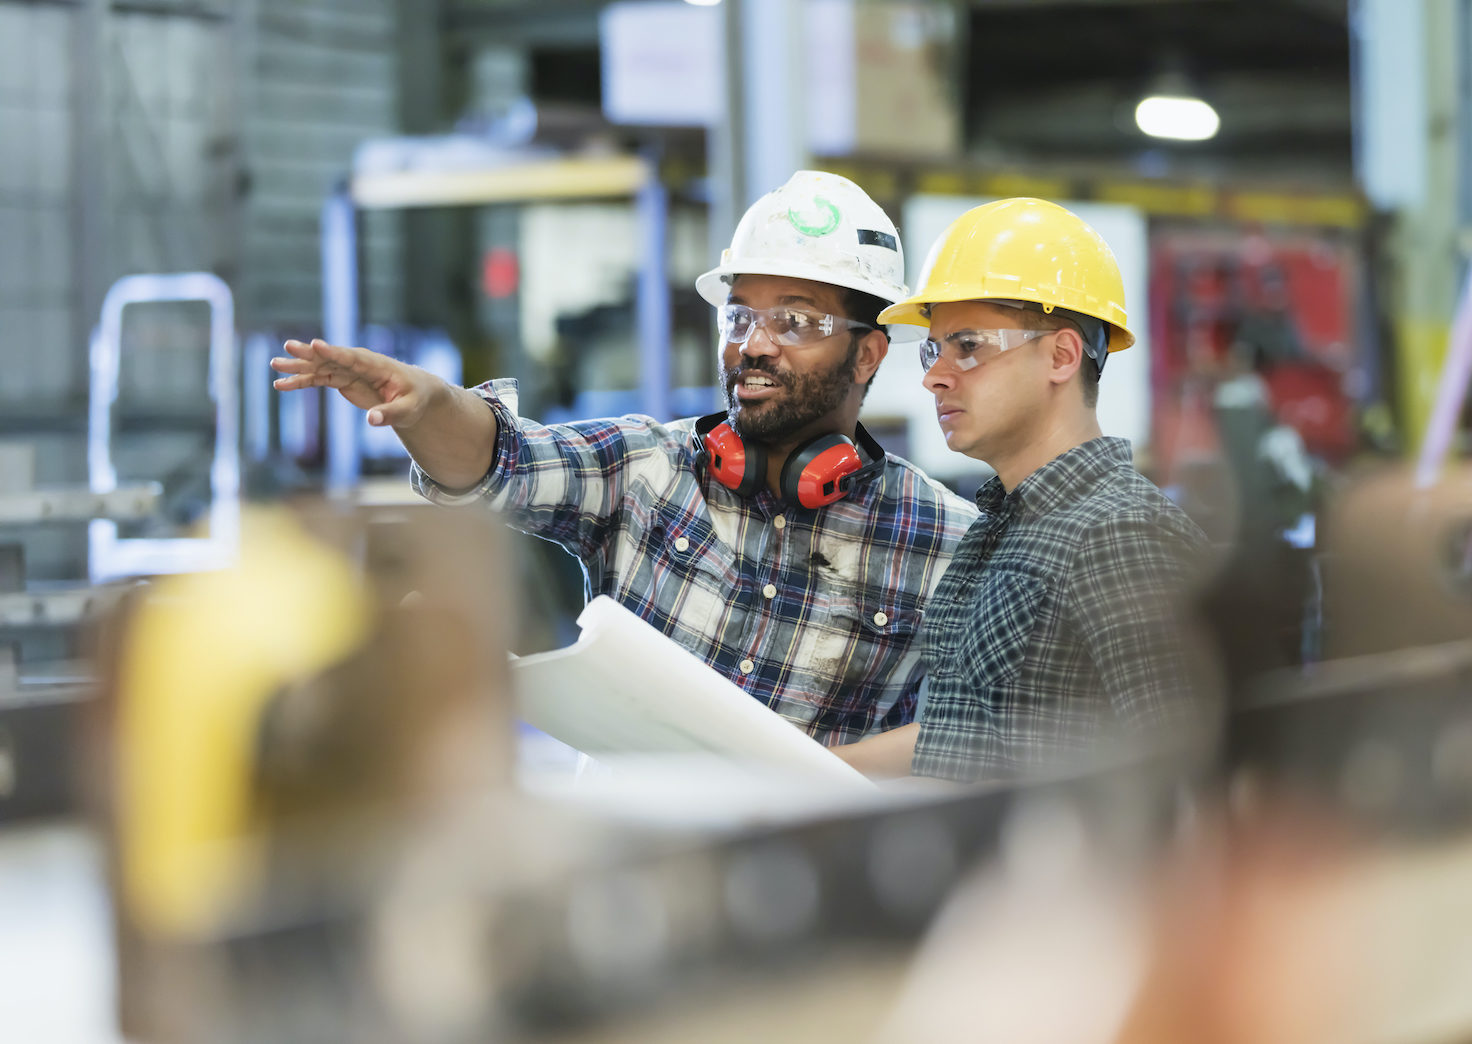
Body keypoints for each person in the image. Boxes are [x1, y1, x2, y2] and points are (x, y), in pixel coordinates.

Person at [272, 171, 976, 745]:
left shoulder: (944, 542)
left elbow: (959, 745)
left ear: (870, 351)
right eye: (739, 316)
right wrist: (427, 405)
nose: (753, 345)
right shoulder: (646, 468)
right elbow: (499, 458)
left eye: (793, 320)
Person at [831, 197, 1213, 781]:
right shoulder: (1000, 529)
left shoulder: (1121, 534)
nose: (935, 374)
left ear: (1061, 356)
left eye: (969, 346)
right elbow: (965, 735)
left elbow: (1195, 767)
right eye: (935, 349)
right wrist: (797, 768)